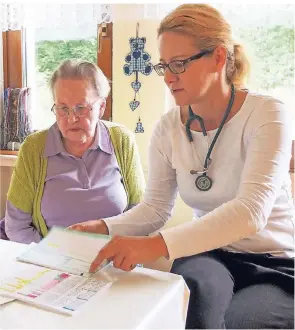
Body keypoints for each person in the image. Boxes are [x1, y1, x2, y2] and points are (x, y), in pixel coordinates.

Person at [69, 4, 294, 329]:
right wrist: (104, 227)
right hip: (209, 254)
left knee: (243, 321)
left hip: (275, 261)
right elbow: (156, 209)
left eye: (179, 64)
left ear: (218, 57)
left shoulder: (268, 114)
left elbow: (250, 213)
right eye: (164, 66)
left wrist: (154, 245)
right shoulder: (167, 128)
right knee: (196, 298)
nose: (169, 77)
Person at [3, 59, 145, 244]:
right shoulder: (34, 148)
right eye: (63, 109)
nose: (72, 119)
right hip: (51, 263)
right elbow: (16, 227)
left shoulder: (121, 140)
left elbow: (141, 213)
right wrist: (52, 257)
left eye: (81, 108)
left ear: (101, 107)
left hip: (113, 260)